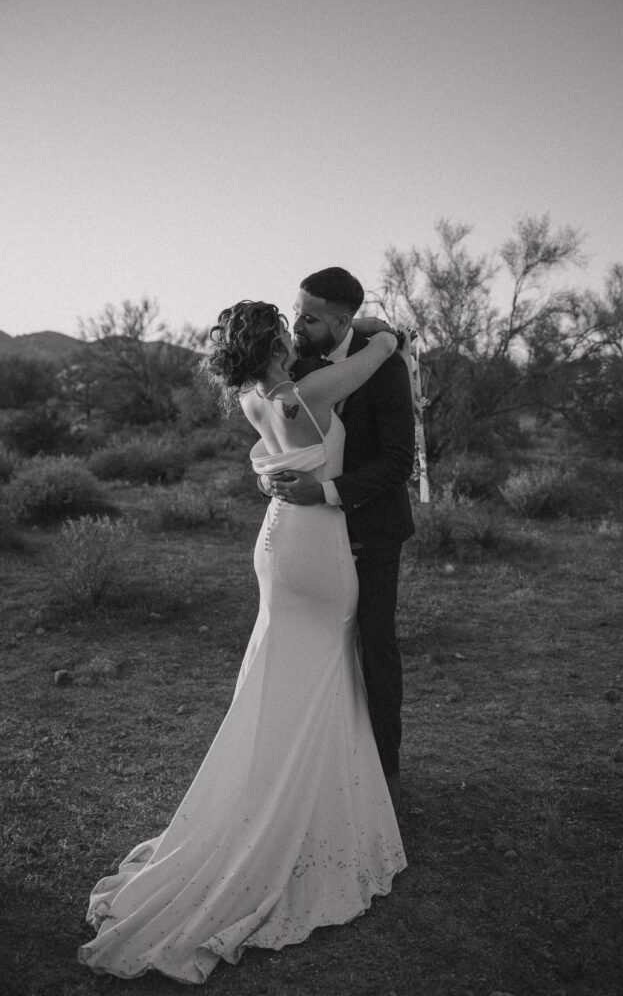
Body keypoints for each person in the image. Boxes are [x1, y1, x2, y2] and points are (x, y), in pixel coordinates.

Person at [78, 300, 406, 984]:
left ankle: (293, 787)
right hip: (314, 546)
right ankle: (302, 808)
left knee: (290, 671)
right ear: (277, 339)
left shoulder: (254, 400)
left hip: (275, 538)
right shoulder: (303, 393)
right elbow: (376, 355)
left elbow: (294, 436)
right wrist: (382, 333)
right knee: (320, 668)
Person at [261, 268, 415, 810]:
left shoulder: (387, 368)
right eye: (296, 310)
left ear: (343, 320)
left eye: (309, 316)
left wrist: (324, 492)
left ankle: (386, 777)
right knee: (315, 646)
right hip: (309, 537)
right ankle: (317, 766)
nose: (297, 324)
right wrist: (269, 473)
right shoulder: (296, 362)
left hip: (370, 529)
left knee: (375, 646)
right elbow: (278, 432)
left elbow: (399, 462)